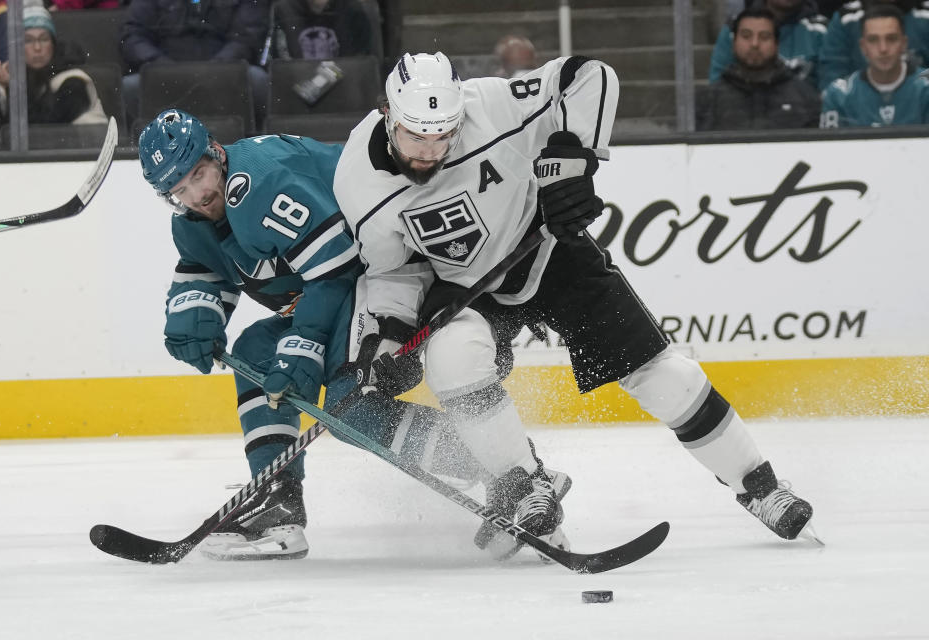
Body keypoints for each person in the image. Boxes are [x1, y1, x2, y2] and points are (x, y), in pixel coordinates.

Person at [333, 52, 818, 554]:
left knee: (665, 377)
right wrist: (387, 336)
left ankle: (761, 488)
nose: (429, 152)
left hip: (546, 248)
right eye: (416, 136)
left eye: (443, 135)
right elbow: (394, 269)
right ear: (388, 113)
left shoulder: (490, 105)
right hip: (462, 285)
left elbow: (588, 76)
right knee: (452, 357)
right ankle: (524, 488)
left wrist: (570, 167)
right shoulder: (358, 184)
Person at [136, 109, 510, 561]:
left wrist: (304, 346)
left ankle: (510, 473)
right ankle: (278, 500)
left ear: (215, 152)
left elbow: (336, 264)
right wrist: (194, 315)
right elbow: (205, 268)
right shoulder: (195, 220)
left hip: (389, 277)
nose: (198, 194)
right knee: (256, 351)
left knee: (350, 411)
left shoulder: (259, 181)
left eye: (198, 174)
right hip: (339, 288)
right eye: (180, 190)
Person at [0, 3, 106, 144]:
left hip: (86, 159)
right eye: (28, 40)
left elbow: (43, 134)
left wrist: (14, 89)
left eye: (44, 39)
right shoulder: (6, 77)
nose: (37, 48)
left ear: (53, 43)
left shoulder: (73, 81)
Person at [120, 0, 269, 130]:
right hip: (163, 72)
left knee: (258, 81)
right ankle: (139, 148)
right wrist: (163, 67)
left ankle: (257, 146)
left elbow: (248, 36)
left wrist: (216, 68)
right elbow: (133, 37)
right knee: (128, 87)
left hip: (226, 71)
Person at [697, 7, 822, 130]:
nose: (754, 44)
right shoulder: (709, 100)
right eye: (746, 36)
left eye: (764, 37)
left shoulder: (805, 97)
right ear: (734, 42)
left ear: (776, 44)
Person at [820, 3, 929, 125]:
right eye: (873, 40)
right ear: (862, 47)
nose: (883, 48)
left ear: (904, 44)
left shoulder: (925, 90)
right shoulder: (839, 95)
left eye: (891, 39)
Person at [708, 0, 829, 88]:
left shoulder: (822, 31)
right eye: (747, 37)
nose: (754, 43)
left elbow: (828, 90)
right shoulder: (735, 29)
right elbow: (717, 86)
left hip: (804, 118)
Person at [819, 0, 929, 88]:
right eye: (873, 39)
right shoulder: (846, 19)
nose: (883, 48)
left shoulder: (925, 16)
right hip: (858, 109)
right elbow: (832, 79)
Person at [272, 0, 378, 61]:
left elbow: (362, 64)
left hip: (346, 88)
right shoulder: (282, 10)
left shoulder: (353, 10)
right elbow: (279, 63)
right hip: (296, 86)